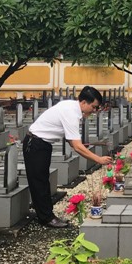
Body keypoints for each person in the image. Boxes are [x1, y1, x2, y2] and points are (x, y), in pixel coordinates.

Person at [22, 85, 112, 228]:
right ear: (84, 102)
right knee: (39, 182)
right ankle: (46, 218)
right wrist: (98, 159)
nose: (94, 111)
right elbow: (76, 146)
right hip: (35, 144)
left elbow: (72, 141)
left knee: (42, 180)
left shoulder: (72, 108)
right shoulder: (71, 113)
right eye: (94, 107)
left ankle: (45, 215)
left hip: (41, 143)